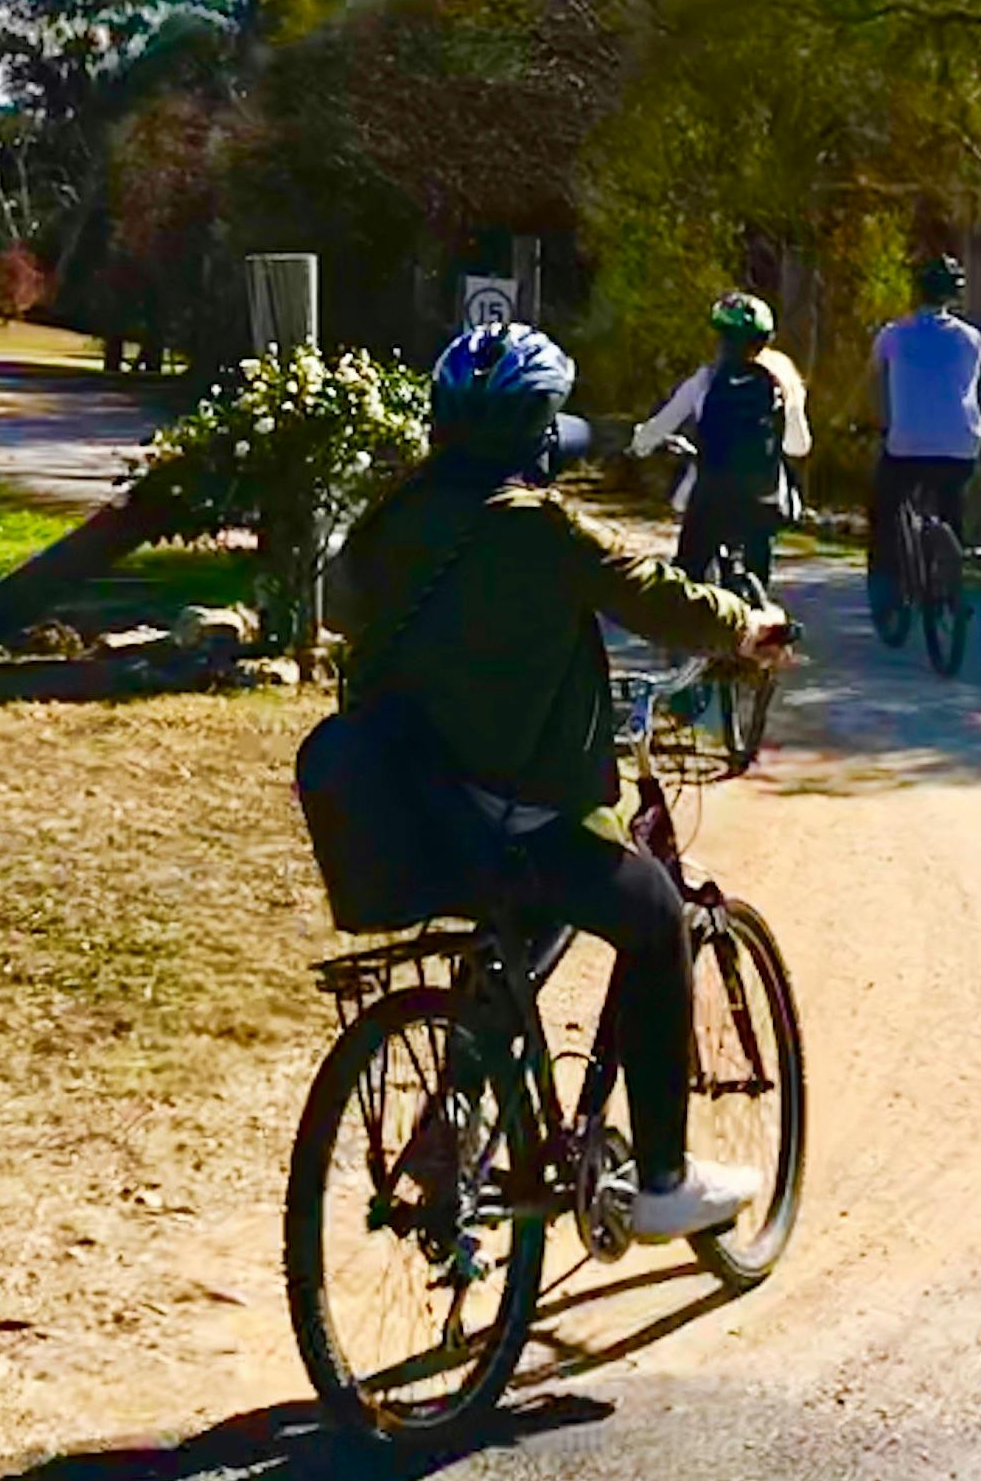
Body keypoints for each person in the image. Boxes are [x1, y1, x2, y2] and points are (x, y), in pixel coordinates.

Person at [333, 321, 784, 1242]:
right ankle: (662, 1179)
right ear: (539, 430)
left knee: (525, 923)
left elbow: (351, 614)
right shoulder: (535, 526)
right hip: (517, 813)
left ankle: (457, 1114)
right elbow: (654, 594)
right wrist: (747, 627)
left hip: (418, 814)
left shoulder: (390, 519)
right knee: (656, 920)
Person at [630, 289, 811, 586]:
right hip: (762, 497)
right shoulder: (783, 382)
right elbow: (799, 447)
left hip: (712, 493)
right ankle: (759, 610)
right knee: (757, 569)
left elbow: (662, 424)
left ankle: (687, 619)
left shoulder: (707, 379)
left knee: (686, 578)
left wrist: (639, 444)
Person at [866, 252, 981, 626]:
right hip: (961, 444)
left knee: (884, 509)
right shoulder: (972, 338)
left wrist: (876, 424)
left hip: (907, 445)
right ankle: (951, 576)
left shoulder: (893, 334)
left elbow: (875, 382)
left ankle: (886, 590)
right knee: (951, 502)